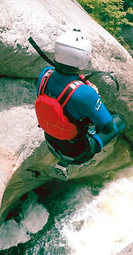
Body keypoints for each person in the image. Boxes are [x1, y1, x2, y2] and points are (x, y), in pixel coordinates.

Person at [35, 29, 125, 180]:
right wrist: (94, 96)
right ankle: (90, 146)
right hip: (79, 152)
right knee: (120, 120)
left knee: (73, 116)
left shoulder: (45, 74)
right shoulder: (85, 93)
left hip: (51, 141)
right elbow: (107, 128)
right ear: (83, 59)